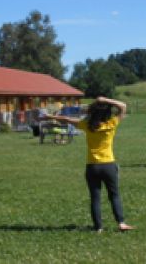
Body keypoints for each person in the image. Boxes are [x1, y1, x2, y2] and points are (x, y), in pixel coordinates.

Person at [45, 97, 134, 233]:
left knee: (95, 197)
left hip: (92, 166)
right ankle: (121, 223)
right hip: (108, 165)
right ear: (107, 114)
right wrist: (105, 100)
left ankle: (98, 227)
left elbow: (67, 119)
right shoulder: (111, 124)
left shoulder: (87, 125)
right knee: (114, 195)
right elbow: (123, 106)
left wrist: (49, 116)